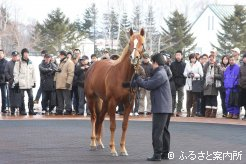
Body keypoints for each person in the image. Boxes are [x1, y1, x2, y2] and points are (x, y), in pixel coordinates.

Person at [133, 52, 172, 161]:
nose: (151, 64)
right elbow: (149, 81)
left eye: (152, 62)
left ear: (155, 62)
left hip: (161, 107)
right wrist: (140, 80)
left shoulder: (160, 74)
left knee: (157, 132)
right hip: (164, 106)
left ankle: (157, 154)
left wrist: (138, 78)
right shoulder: (162, 72)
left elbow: (149, 85)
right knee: (164, 131)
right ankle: (165, 153)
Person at [13, 48, 37, 115]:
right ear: (22, 54)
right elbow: (15, 73)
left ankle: (31, 110)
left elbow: (33, 73)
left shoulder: (30, 62)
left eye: (27, 53)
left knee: (31, 97)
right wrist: (17, 82)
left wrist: (34, 81)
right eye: (25, 53)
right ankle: (22, 110)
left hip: (29, 83)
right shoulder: (18, 62)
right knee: (21, 97)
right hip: (21, 83)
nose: (26, 54)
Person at [54, 50, 74, 115]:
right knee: (60, 98)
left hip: (65, 83)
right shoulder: (61, 62)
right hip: (59, 83)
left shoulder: (69, 62)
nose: (59, 56)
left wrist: (68, 82)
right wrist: (55, 80)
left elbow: (71, 74)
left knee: (67, 98)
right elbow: (57, 72)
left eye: (59, 55)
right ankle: (60, 109)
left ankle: (68, 110)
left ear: (62, 55)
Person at [170, 50, 186, 116]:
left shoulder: (184, 64)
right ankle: (171, 110)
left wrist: (184, 82)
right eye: (177, 55)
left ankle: (179, 111)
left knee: (180, 99)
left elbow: (185, 74)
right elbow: (170, 74)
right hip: (173, 83)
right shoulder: (172, 64)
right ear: (175, 56)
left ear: (181, 56)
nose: (178, 56)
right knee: (172, 98)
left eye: (179, 55)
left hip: (181, 84)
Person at [4, 51, 21, 115]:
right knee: (11, 96)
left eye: (16, 56)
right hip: (11, 82)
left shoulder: (20, 63)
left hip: (19, 83)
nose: (15, 57)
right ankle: (12, 109)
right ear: (12, 56)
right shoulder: (8, 63)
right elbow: (6, 72)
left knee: (19, 96)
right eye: (14, 56)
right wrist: (9, 79)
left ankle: (19, 108)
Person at [0, 49, 8, 114]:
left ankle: (4, 108)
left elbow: (7, 72)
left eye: (1, 53)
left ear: (3, 54)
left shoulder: (6, 62)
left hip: (3, 81)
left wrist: (7, 79)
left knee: (4, 96)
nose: (0, 55)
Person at [239, 53, 246, 120]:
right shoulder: (241, 67)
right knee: (243, 101)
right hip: (242, 87)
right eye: (244, 57)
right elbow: (239, 76)